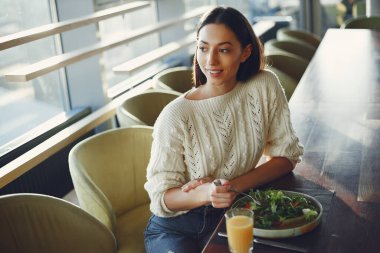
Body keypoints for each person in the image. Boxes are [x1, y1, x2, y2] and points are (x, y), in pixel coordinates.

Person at [144, 6, 304, 253]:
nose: (211, 61)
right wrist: (207, 193)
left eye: (224, 50)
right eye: (203, 47)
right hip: (176, 226)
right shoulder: (175, 116)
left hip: (235, 210)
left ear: (245, 52)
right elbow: (161, 198)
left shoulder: (264, 85)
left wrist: (230, 187)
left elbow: (286, 157)